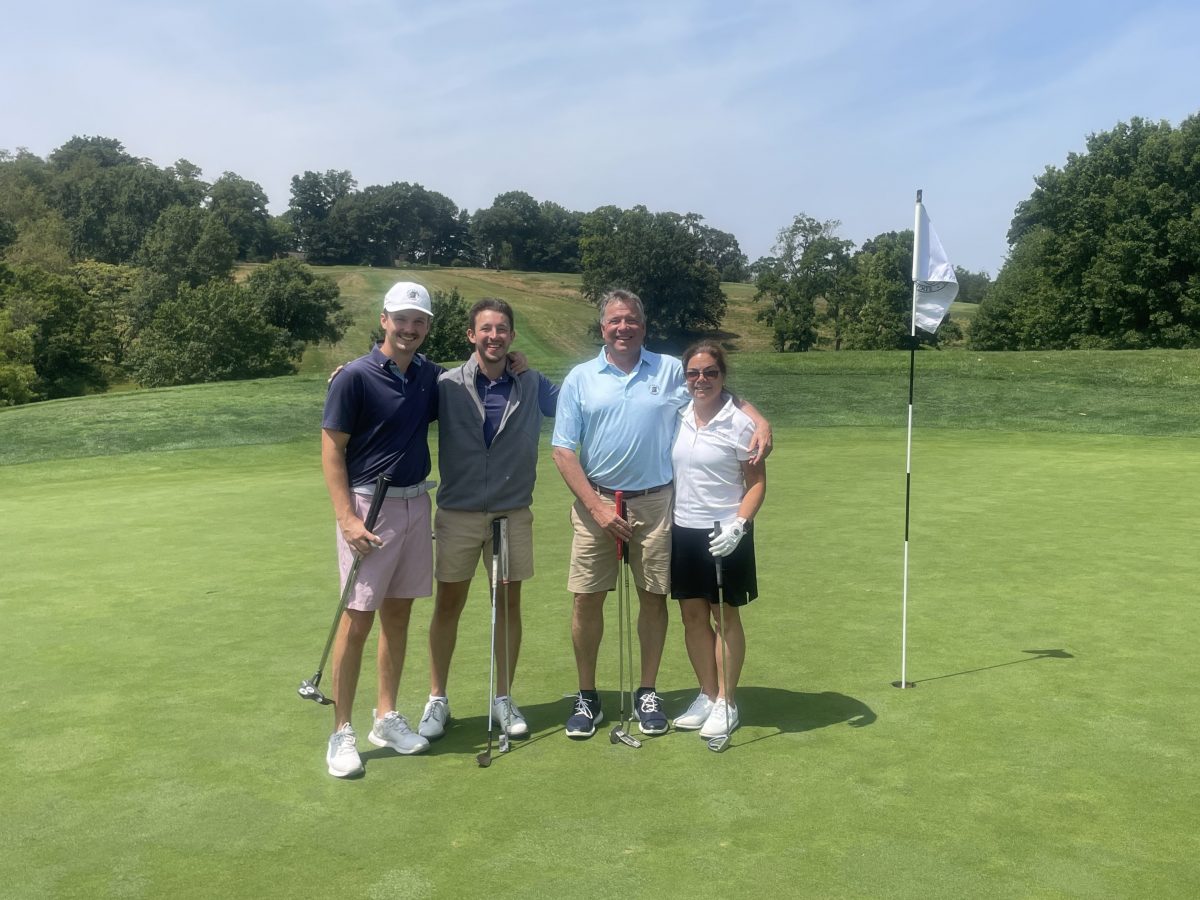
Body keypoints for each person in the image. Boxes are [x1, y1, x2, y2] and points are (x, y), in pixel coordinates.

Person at [550, 289, 771, 739]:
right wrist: (595, 507)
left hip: (656, 503)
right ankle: (587, 696)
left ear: (644, 326)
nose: (623, 327)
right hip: (597, 501)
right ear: (603, 327)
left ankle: (647, 692)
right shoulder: (580, 378)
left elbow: (714, 388)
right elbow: (562, 450)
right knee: (586, 598)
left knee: (653, 597)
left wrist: (760, 419)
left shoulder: (670, 369)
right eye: (615, 320)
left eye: (631, 320)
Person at [416, 298, 558, 742]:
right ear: (471, 335)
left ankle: (503, 696)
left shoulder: (532, 382)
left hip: (510, 513)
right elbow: (396, 389)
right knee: (448, 604)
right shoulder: (446, 384)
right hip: (457, 513)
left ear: (512, 335)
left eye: (501, 329)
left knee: (507, 605)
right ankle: (437, 698)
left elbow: (583, 402)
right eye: (486, 329)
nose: (494, 336)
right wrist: (350, 372)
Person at [319, 281, 441, 777]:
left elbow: (472, 381)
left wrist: (515, 362)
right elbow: (332, 449)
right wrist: (346, 518)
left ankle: (385, 717)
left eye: (419, 321)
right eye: (402, 319)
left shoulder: (430, 376)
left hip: (416, 504)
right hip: (369, 507)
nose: (410, 328)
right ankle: (341, 730)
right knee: (358, 619)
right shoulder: (353, 376)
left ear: (427, 327)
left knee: (398, 614)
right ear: (384, 320)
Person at [669, 342, 766, 739]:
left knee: (724, 617)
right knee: (692, 616)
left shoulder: (740, 424)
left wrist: (739, 526)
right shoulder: (677, 415)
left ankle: (727, 701)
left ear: (723, 376)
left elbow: (756, 483)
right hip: (683, 528)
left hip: (726, 532)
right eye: (694, 373)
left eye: (710, 372)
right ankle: (708, 695)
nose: (701, 380)